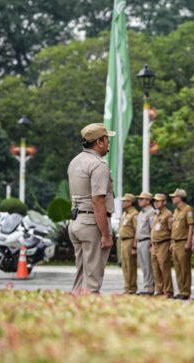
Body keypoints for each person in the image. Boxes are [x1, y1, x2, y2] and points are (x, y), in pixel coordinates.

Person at [67, 123, 115, 294]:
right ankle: (90, 314)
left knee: (81, 277)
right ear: (99, 142)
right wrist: (106, 234)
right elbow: (98, 201)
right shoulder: (98, 164)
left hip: (76, 222)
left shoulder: (75, 162)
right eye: (107, 140)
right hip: (91, 223)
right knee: (93, 280)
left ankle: (73, 310)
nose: (109, 143)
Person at [169, 188, 194, 300]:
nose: (173, 198)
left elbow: (191, 226)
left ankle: (186, 291)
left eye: (175, 196)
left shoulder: (187, 210)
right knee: (178, 268)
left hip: (183, 241)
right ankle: (180, 290)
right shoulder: (176, 211)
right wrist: (171, 242)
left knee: (184, 268)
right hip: (175, 242)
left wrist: (189, 242)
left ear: (180, 197)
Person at [151, 193, 173, 298]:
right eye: (155, 201)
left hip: (163, 242)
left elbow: (171, 230)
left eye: (158, 201)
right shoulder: (157, 214)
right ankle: (159, 289)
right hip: (155, 244)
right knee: (156, 268)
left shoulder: (168, 214)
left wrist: (171, 244)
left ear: (164, 202)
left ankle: (168, 290)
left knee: (164, 267)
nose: (156, 203)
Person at [134, 192, 155, 295]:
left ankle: (150, 287)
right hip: (140, 241)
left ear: (148, 201)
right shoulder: (141, 212)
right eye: (139, 199)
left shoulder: (151, 212)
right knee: (143, 265)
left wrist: (152, 244)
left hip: (147, 241)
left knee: (148, 265)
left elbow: (153, 229)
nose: (139, 201)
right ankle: (146, 286)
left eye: (142, 199)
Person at [118, 193, 139, 294]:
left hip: (130, 240)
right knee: (125, 265)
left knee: (130, 266)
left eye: (125, 201)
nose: (123, 203)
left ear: (130, 202)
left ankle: (132, 288)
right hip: (123, 241)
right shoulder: (125, 213)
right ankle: (126, 287)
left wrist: (134, 246)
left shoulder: (134, 214)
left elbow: (137, 231)